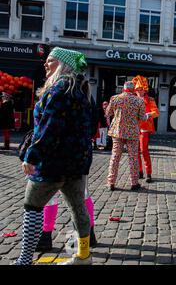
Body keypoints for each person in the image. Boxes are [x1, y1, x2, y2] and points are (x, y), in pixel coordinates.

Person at [14, 47, 97, 265]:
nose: (45, 64)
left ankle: (24, 260)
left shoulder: (59, 89)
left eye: (50, 61)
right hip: (76, 162)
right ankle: (83, 255)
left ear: (61, 64)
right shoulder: (82, 89)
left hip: (53, 162)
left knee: (32, 206)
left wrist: (32, 155)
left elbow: (49, 127)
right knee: (78, 208)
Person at [106, 81, 152, 191]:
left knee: (115, 157)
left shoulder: (115, 98)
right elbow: (142, 117)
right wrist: (147, 115)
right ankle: (134, 183)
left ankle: (111, 182)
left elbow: (108, 113)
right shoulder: (138, 101)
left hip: (118, 132)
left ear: (123, 89)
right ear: (133, 90)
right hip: (132, 133)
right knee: (133, 158)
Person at [132, 75, 159, 183]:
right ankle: (139, 171)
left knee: (144, 150)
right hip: (134, 128)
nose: (139, 91)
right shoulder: (133, 100)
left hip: (145, 128)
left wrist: (147, 115)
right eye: (138, 89)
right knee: (136, 151)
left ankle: (148, 173)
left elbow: (156, 112)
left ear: (145, 90)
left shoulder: (150, 99)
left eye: (141, 89)